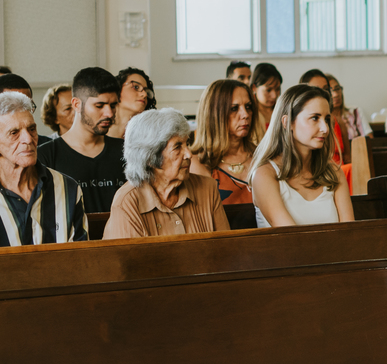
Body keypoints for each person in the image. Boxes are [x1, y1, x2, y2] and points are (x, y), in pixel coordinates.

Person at [105, 109, 230, 238]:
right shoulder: (127, 202)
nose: (188, 154)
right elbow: (129, 258)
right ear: (150, 158)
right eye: (177, 147)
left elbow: (225, 248)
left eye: (187, 143)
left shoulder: (207, 188)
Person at [249, 84, 353, 227]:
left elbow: (349, 232)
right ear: (287, 122)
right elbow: (293, 238)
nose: (325, 128)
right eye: (315, 118)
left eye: (327, 119)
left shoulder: (333, 173)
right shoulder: (264, 175)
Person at [0, 92, 88, 245]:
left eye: (32, 129)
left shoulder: (68, 188)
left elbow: (80, 256)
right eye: (14, 133)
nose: (28, 139)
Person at [38, 67, 126, 213]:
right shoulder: (46, 156)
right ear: (77, 104)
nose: (109, 113)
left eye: (113, 105)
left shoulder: (126, 151)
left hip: (122, 235)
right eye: (99, 105)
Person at [189, 79, 257, 207]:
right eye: (234, 108)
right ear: (214, 114)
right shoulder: (197, 163)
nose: (245, 114)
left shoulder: (262, 156)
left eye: (248, 107)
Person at [107, 67, 155, 140]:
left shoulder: (149, 136)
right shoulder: (97, 131)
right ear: (118, 88)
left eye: (147, 91)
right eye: (136, 87)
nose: (144, 94)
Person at [328, 74, 369, 149]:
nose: (336, 94)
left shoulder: (355, 112)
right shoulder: (324, 120)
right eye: (330, 91)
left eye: (337, 89)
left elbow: (369, 139)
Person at [250, 62, 283, 140]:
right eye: (268, 90)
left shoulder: (282, 111)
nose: (274, 95)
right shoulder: (249, 115)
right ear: (254, 88)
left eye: (277, 89)